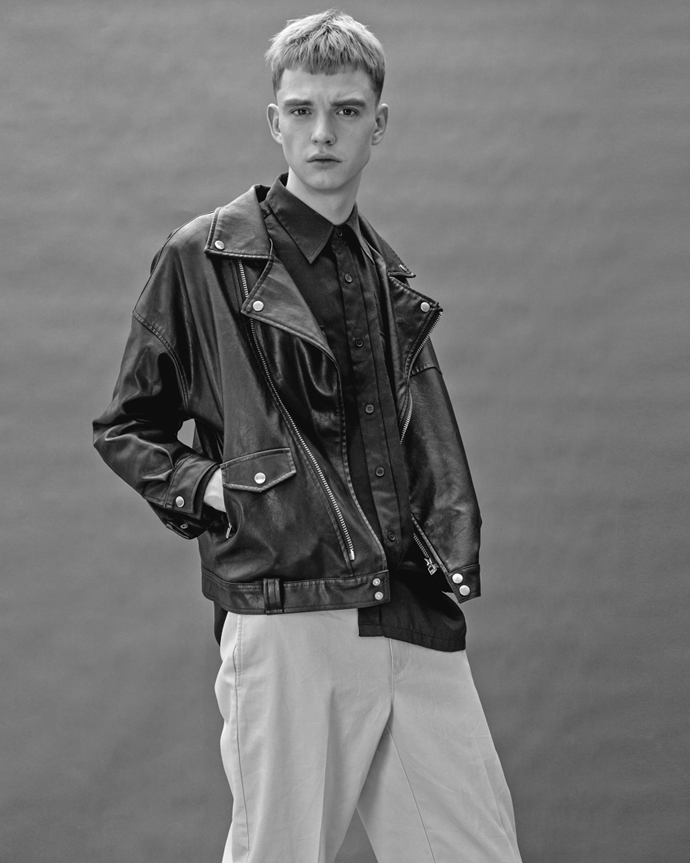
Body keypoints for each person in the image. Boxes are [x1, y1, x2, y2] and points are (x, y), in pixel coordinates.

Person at [93, 10, 522, 863]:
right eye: (301, 110)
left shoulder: (387, 278)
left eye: (346, 111)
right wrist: (212, 487)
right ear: (274, 120)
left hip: (409, 606)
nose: (322, 132)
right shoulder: (204, 257)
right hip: (288, 604)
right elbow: (127, 425)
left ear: (379, 124)